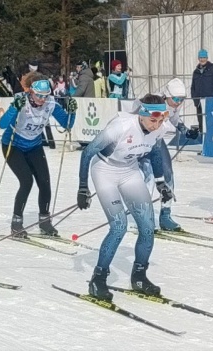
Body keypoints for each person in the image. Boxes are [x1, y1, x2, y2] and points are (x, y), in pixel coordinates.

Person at [77, 93, 173, 302]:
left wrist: (160, 182)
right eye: (153, 120)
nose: (157, 125)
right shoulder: (121, 127)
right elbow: (88, 153)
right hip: (105, 171)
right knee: (119, 226)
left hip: (129, 172)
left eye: (160, 120)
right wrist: (83, 187)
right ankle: (98, 279)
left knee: (148, 227)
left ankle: (139, 277)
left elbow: (155, 153)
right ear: (142, 114)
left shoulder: (159, 128)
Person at [0, 74, 77, 238]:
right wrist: (14, 108)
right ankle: (16, 223)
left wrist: (72, 111)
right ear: (31, 92)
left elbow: (67, 124)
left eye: (45, 95)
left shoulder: (51, 104)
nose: (42, 99)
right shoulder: (22, 101)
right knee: (26, 181)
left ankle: (45, 221)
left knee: (44, 181)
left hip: (34, 145)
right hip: (13, 145)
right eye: (39, 95)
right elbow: (2, 124)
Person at [138, 78, 197, 231]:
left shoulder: (173, 106)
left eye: (182, 99)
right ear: (166, 96)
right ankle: (144, 217)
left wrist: (187, 131)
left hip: (156, 139)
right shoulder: (154, 104)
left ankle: (165, 215)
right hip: (140, 139)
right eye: (176, 99)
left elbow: (175, 120)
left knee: (168, 173)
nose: (178, 102)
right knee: (150, 176)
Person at [191, 49, 213, 133]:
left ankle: (212, 139)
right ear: (198, 58)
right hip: (199, 102)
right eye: (201, 57)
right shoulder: (196, 72)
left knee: (211, 121)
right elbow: (193, 87)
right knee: (201, 121)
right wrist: (195, 100)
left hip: (210, 101)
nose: (202, 59)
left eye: (204, 57)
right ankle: (203, 138)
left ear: (207, 58)